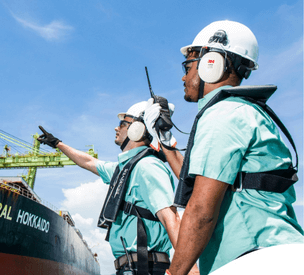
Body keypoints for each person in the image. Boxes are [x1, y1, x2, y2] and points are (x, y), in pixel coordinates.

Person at [144, 20, 304, 275]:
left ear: (212, 62)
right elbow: (198, 183)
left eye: (188, 65)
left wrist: (174, 273)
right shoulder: (242, 110)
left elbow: (201, 210)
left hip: (254, 259)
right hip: (272, 255)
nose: (183, 76)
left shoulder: (223, 115)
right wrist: (165, 140)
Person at [37, 101, 199, 275]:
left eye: (123, 123)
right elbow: (88, 162)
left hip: (145, 267)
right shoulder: (125, 169)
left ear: (138, 129)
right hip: (132, 267)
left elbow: (171, 218)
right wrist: (57, 144)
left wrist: (191, 270)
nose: (116, 128)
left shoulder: (148, 167)